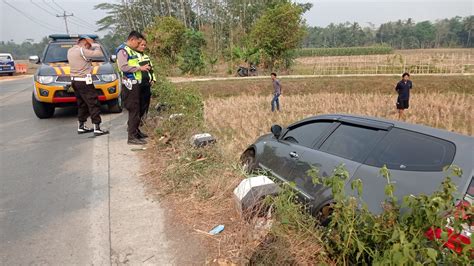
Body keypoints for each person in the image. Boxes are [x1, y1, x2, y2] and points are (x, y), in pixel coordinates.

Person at [67, 35, 109, 136]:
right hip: (84, 81)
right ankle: (97, 127)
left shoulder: (70, 50)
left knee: (82, 103)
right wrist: (95, 44)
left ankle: (81, 126)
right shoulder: (82, 50)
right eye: (88, 45)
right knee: (93, 103)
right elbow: (99, 54)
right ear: (85, 43)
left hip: (75, 81)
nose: (89, 47)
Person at [116, 31, 151, 145]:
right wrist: (139, 68)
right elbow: (123, 67)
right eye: (138, 42)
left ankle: (136, 132)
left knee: (139, 108)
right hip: (130, 84)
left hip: (137, 84)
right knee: (134, 110)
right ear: (132, 40)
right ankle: (131, 137)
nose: (139, 45)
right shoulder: (123, 51)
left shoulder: (131, 50)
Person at [136, 39, 156, 138]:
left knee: (146, 102)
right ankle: (135, 123)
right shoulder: (133, 57)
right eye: (141, 45)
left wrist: (153, 79)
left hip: (147, 83)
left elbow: (151, 69)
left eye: (144, 45)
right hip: (137, 84)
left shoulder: (146, 57)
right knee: (138, 104)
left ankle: (142, 120)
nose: (143, 47)